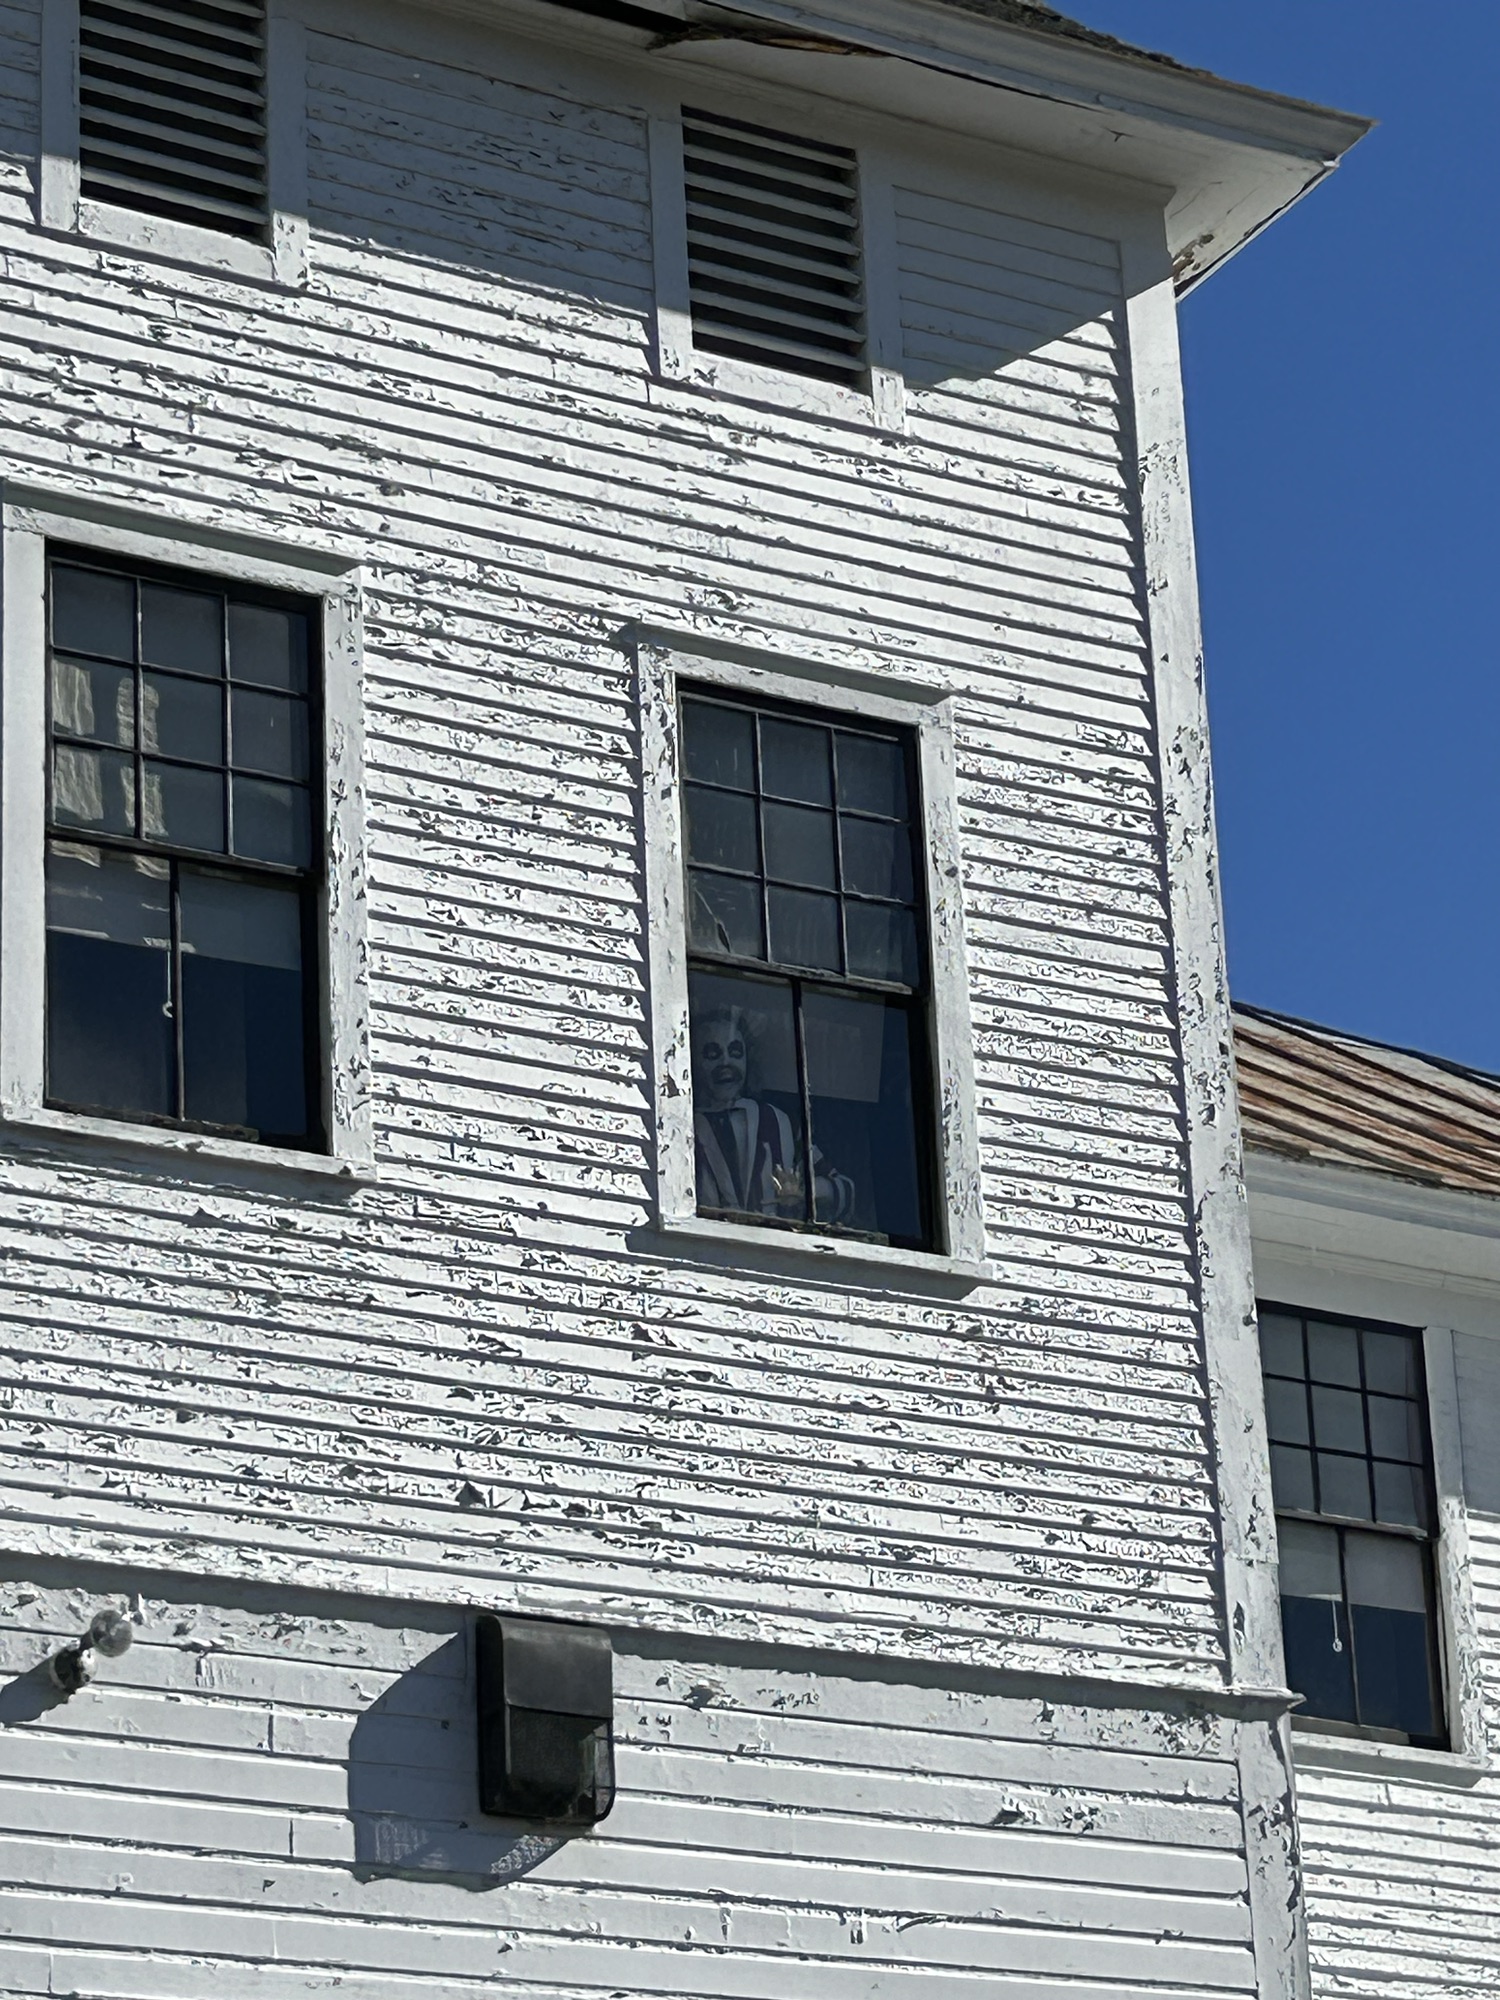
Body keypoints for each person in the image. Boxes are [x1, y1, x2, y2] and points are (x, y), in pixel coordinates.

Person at [690, 1002, 856, 1227]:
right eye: (713, 1054)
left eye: (735, 1052)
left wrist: (805, 1190)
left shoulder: (778, 1121)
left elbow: (844, 1188)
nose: (726, 1063)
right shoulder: (687, 1127)